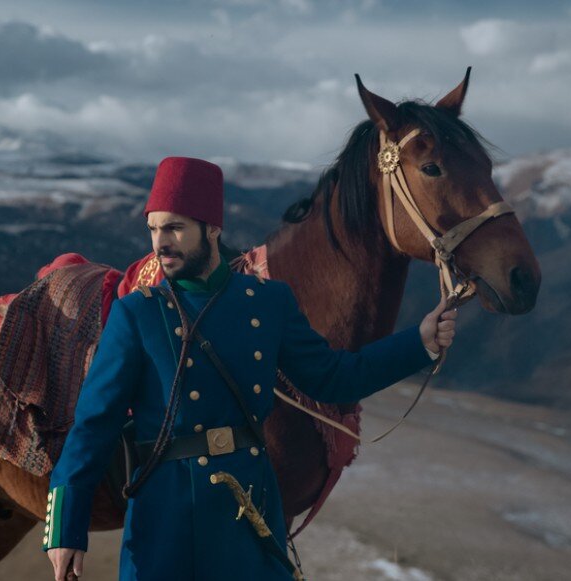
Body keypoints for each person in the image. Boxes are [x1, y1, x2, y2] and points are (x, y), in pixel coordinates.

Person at [43, 156, 456, 580]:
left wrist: (418, 343)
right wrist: (65, 528)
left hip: (249, 514)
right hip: (164, 521)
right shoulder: (137, 315)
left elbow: (333, 377)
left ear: (213, 229)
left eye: (175, 228)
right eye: (153, 228)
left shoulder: (269, 301)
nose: (160, 243)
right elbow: (94, 425)